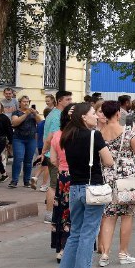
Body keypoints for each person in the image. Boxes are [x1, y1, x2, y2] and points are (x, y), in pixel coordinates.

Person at [55, 103, 115, 268]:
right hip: (93, 188)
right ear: (83, 117)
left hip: (75, 188)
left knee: (75, 234)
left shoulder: (67, 136)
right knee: (88, 234)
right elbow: (109, 161)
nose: (96, 116)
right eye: (92, 113)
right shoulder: (93, 135)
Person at [97, 101, 135, 267]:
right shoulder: (127, 132)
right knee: (127, 216)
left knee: (109, 216)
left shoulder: (99, 133)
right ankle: (123, 253)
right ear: (117, 113)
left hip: (108, 177)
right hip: (127, 178)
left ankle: (105, 254)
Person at [40, 90, 73, 222]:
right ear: (60, 101)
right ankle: (49, 214)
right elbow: (51, 138)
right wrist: (45, 152)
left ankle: (54, 210)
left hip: (52, 153)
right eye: (68, 100)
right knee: (54, 185)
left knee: (56, 184)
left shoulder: (55, 113)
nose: (70, 102)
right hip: (54, 155)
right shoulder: (57, 116)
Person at [49, 105, 74, 262]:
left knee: (61, 212)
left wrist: (62, 168)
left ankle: (60, 248)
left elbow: (52, 159)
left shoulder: (57, 135)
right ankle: (69, 247)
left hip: (62, 177)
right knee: (74, 212)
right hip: (77, 177)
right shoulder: (79, 134)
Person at [10, 95, 42, 188]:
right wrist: (26, 114)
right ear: (19, 103)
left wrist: (35, 114)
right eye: (24, 101)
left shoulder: (32, 113)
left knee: (28, 161)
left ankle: (27, 181)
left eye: (27, 101)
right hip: (18, 139)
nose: (26, 103)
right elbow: (15, 123)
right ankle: (14, 181)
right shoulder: (16, 112)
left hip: (31, 139)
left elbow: (40, 122)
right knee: (18, 159)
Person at [0, 101, 13, 183]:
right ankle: (4, 174)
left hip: (1, 140)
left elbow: (9, 130)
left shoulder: (4, 118)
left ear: (1, 107)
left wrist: (10, 142)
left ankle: (4, 174)